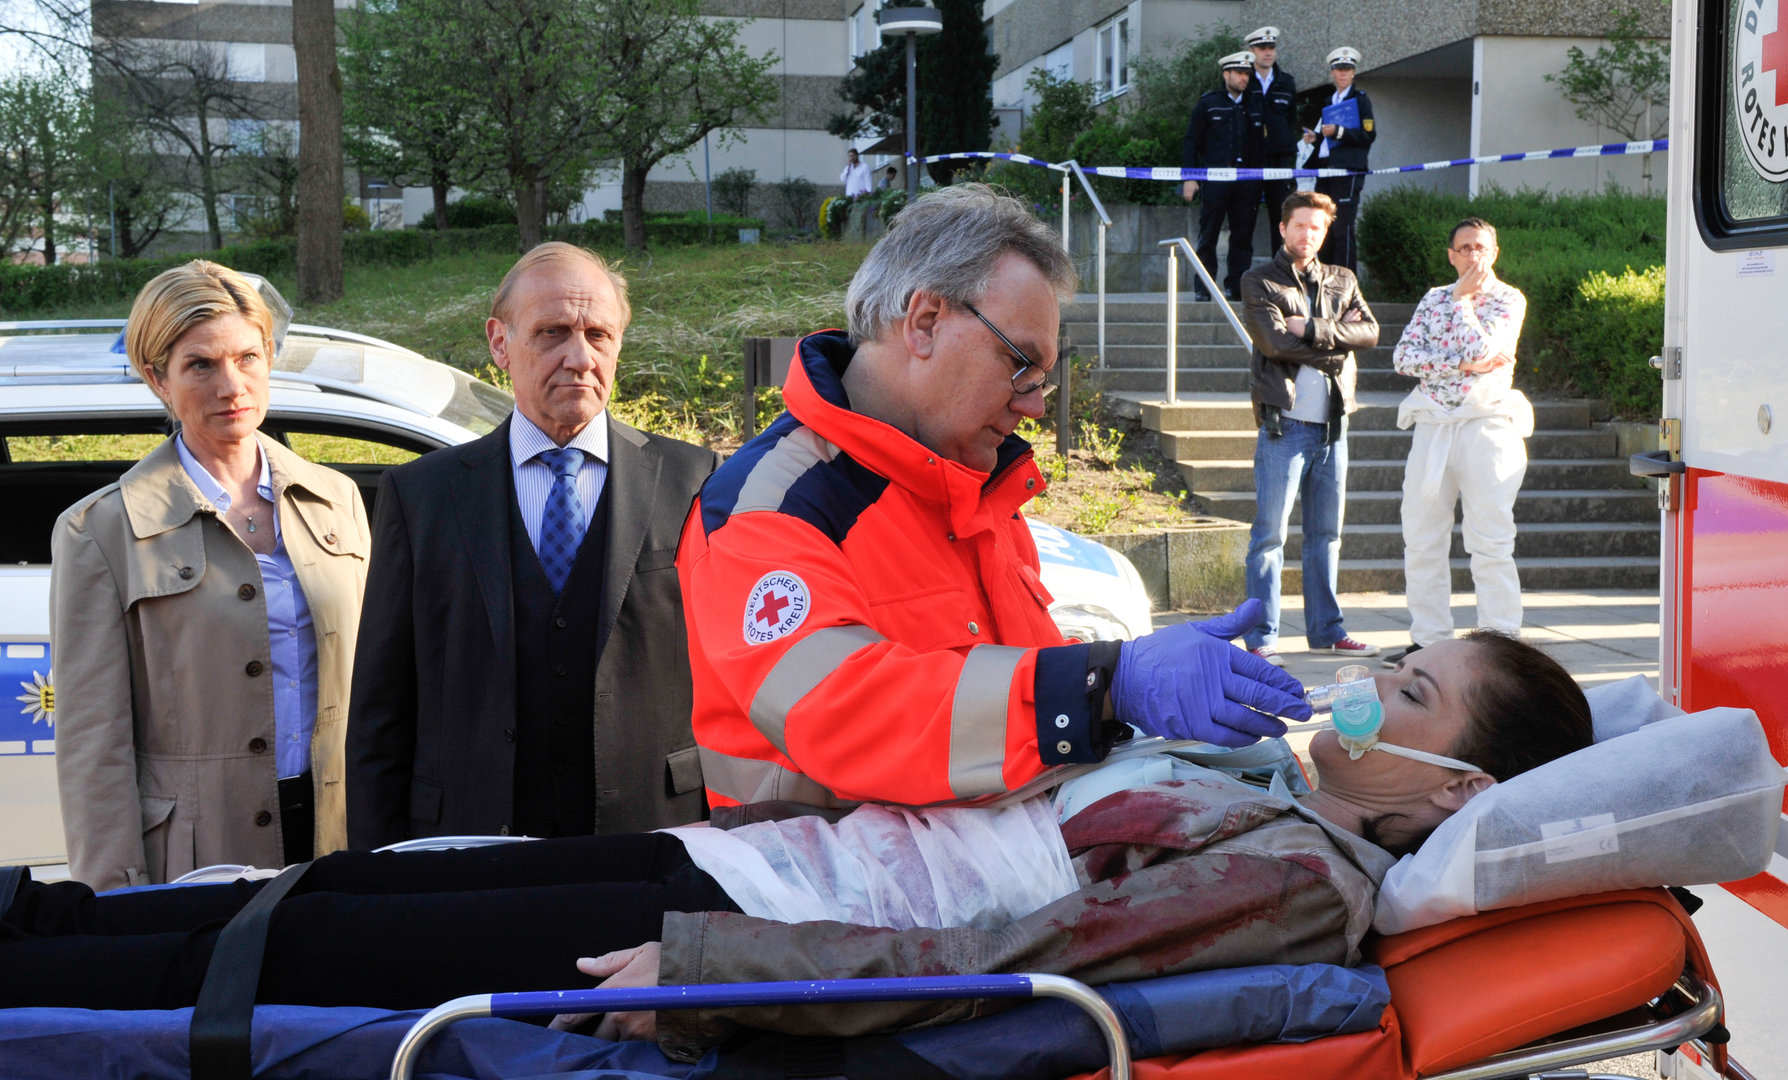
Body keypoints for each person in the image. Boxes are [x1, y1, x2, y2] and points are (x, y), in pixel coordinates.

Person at [0, 631, 1594, 1065]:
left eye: (1414, 689)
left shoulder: (1298, 880)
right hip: (750, 865)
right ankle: (31, 925)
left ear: (1453, 790)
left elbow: (1011, 967)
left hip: (732, 930)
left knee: (304, 955)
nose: (1374, 682)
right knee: (333, 892)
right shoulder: (1263, 780)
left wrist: (712, 977)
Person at [677, 183, 1307, 813]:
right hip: (819, 893)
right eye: (1020, 366)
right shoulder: (768, 508)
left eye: (1043, 380)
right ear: (925, 322)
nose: (1034, 404)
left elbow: (1015, 686)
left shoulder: (970, 488)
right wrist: (1107, 682)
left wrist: (1121, 691)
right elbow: (845, 713)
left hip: (974, 883)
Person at [346, 242, 720, 849]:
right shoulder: (423, 496)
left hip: (652, 837)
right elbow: (380, 713)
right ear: (500, 343)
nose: (579, 357)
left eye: (598, 334)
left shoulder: (694, 480)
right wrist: (374, 873)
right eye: (552, 333)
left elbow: (731, 676)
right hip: (469, 849)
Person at [49, 261, 371, 891]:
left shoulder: (338, 499)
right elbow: (95, 749)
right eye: (201, 365)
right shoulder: (99, 530)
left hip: (340, 837)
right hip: (196, 858)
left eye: (248, 357)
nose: (233, 385)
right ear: (157, 378)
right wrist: (115, 901)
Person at [1239, 190, 1380, 664]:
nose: (1307, 234)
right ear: (1282, 228)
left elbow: (1372, 333)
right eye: (1299, 225)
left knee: (1326, 535)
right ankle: (1261, 639)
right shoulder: (1258, 280)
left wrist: (1313, 328)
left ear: (1325, 232)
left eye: (1316, 228)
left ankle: (1327, 630)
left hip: (1333, 427)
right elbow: (1273, 343)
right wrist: (1336, 344)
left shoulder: (1342, 279)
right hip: (1285, 427)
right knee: (1269, 537)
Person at [1389, 218, 1531, 664]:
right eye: (1465, 248)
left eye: (1481, 248)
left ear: (1495, 252)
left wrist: (1463, 305)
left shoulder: (1509, 299)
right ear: (1451, 255)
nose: (1473, 256)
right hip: (1433, 426)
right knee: (1422, 537)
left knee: (1490, 539)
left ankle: (1501, 641)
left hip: (1486, 427)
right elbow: (1403, 358)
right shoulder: (1433, 298)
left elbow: (1484, 354)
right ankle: (1428, 639)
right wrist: (1465, 362)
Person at [1181, 51, 1268, 302]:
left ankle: (1236, 287)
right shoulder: (1209, 103)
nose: (1244, 78)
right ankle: (1204, 287)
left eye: (1247, 74)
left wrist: (1259, 179)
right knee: (1208, 235)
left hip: (1246, 182)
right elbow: (1191, 141)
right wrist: (1190, 177)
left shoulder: (1253, 104)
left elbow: (1261, 145)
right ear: (1226, 74)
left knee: (1243, 237)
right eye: (1239, 73)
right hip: (1215, 180)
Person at [1297, 47, 1375, 271]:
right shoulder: (1328, 100)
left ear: (1353, 73)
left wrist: (1339, 132)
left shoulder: (1360, 100)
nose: (1343, 74)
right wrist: (1317, 136)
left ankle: (1346, 280)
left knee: (1343, 228)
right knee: (1324, 226)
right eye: (1339, 70)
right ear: (1332, 73)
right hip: (1326, 168)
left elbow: (1368, 135)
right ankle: (1324, 277)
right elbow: (1329, 137)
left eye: (1347, 70)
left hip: (1347, 169)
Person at [1243, 26, 1298, 260]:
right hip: (1250, 159)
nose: (1268, 53)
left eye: (1271, 48)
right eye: (1262, 48)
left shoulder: (1286, 82)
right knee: (1244, 218)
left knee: (1282, 219)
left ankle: (1282, 274)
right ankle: (1237, 282)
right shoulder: (1245, 80)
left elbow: (1291, 119)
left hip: (1279, 159)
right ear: (1252, 50)